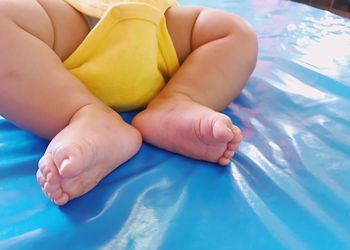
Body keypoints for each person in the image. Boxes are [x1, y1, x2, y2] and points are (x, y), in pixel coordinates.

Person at [0, 0, 258, 205]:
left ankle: (178, 102)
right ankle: (83, 115)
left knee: (236, 32)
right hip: (72, 22)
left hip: (158, 28)